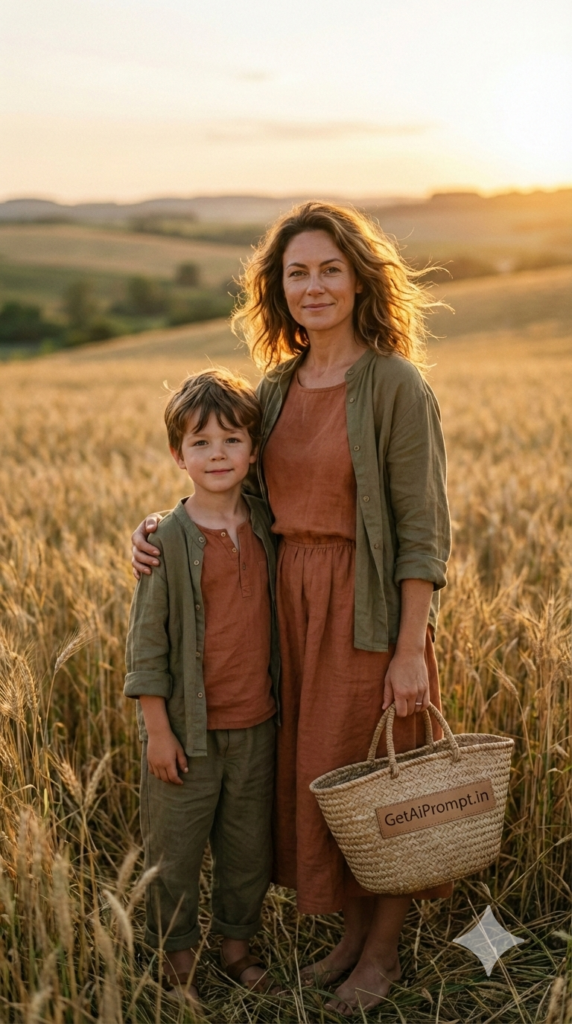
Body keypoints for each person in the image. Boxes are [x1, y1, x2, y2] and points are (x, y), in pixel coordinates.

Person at [131, 202, 452, 1017]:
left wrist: (410, 649)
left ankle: (380, 954)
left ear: (359, 279)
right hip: (285, 614)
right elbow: (227, 482)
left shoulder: (395, 384)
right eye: (296, 272)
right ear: (278, 288)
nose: (313, 287)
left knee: (376, 783)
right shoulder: (273, 389)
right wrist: (158, 531)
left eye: (329, 270)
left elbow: (422, 529)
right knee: (320, 783)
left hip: (366, 612)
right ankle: (347, 937)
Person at [124, 369, 280, 1011]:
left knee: (248, 849)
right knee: (177, 849)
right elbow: (148, 647)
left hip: (257, 725)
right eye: (200, 443)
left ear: (253, 449)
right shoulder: (166, 539)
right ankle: (177, 953)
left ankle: (236, 945)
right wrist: (158, 732)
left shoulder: (271, 524)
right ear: (177, 454)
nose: (218, 454)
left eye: (232, 440)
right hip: (186, 734)